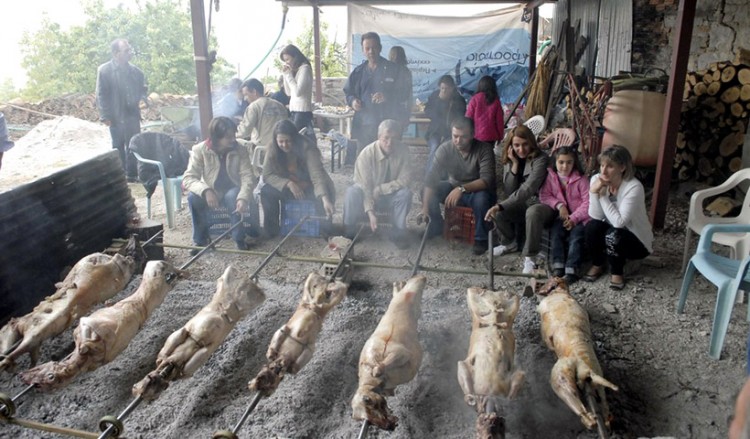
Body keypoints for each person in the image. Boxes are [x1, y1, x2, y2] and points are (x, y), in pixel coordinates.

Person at [183, 117, 258, 254]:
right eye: (228, 137)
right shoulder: (200, 150)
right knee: (193, 198)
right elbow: (189, 178)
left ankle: (239, 238)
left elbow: (247, 176)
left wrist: (243, 197)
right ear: (216, 137)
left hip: (233, 188)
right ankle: (200, 240)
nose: (233, 140)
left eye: (233, 135)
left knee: (233, 196)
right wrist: (205, 191)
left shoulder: (240, 149)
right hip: (212, 190)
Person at [421, 116, 495, 255]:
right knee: (427, 191)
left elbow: (487, 180)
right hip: (453, 187)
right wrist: (425, 208)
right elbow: (431, 178)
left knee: (482, 199)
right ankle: (436, 225)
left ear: (473, 134)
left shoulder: (484, 149)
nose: (458, 141)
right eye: (455, 136)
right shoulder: (445, 148)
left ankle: (481, 238)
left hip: (477, 191)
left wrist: (462, 189)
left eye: (463, 137)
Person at [583, 145, 653, 289]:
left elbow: (619, 223)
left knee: (613, 234)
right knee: (592, 226)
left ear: (622, 167)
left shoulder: (633, 187)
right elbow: (595, 215)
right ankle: (598, 263)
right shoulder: (597, 179)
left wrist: (602, 195)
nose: (603, 170)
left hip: (637, 239)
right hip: (613, 232)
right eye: (602, 165)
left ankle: (617, 272)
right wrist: (593, 192)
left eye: (610, 166)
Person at [485, 125, 549, 274]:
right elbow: (509, 190)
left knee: (531, 212)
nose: (521, 149)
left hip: (542, 202)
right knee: (500, 211)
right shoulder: (512, 158)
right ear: (511, 146)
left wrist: (501, 205)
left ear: (531, 142)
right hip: (522, 202)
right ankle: (509, 243)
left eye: (525, 144)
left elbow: (528, 189)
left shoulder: (541, 159)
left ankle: (530, 257)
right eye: (517, 145)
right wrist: (513, 165)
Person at [343, 119, 412, 249]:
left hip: (389, 196)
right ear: (379, 137)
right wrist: (370, 212)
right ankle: (349, 230)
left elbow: (406, 179)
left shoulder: (404, 151)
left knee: (405, 194)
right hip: (366, 196)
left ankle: (398, 231)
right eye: (386, 138)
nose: (389, 143)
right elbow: (365, 187)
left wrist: (381, 189)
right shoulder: (366, 154)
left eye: (394, 138)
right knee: (352, 192)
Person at [261, 119, 336, 237]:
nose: (284, 145)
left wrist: (325, 199)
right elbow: (267, 175)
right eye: (281, 141)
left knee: (323, 196)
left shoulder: (307, 148)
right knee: (266, 191)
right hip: (289, 187)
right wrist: (288, 184)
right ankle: (272, 230)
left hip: (310, 187)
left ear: (294, 139)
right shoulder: (272, 149)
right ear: (276, 140)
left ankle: (322, 228)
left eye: (288, 141)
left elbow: (317, 176)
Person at [343, 32, 402, 165]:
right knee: (365, 159)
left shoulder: (394, 70)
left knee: (388, 160)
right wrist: (353, 101)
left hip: (387, 124)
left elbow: (404, 93)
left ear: (380, 48)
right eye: (367, 48)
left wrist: (387, 97)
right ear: (363, 51)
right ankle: (364, 184)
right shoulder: (358, 72)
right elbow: (348, 92)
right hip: (364, 124)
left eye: (374, 47)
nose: (371, 51)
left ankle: (388, 185)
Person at [95, 38, 148, 181]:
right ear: (116, 53)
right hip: (115, 116)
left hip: (132, 115)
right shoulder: (104, 71)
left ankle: (132, 175)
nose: (130, 53)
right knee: (118, 146)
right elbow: (101, 94)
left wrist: (144, 99)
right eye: (126, 51)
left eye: (130, 50)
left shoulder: (137, 72)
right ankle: (120, 175)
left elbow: (143, 90)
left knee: (134, 145)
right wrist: (105, 116)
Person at [538, 146, 590, 283]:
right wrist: (560, 205)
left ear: (574, 163)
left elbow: (588, 203)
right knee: (556, 234)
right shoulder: (551, 177)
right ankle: (558, 265)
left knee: (576, 237)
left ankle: (572, 269)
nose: (565, 166)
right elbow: (544, 195)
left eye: (569, 162)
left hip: (581, 218)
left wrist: (574, 218)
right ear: (555, 162)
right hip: (561, 216)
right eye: (561, 162)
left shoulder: (581, 179)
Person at [423, 75, 467, 175]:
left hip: (450, 133)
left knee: (447, 150)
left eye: (446, 89)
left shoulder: (458, 100)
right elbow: (427, 111)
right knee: (434, 147)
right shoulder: (435, 96)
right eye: (442, 88)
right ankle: (429, 176)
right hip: (434, 132)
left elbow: (459, 117)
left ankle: (445, 176)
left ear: (452, 88)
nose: (444, 91)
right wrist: (439, 100)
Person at [237, 78, 289, 148]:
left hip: (262, 149)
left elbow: (244, 131)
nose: (245, 98)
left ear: (254, 92)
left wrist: (231, 134)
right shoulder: (280, 105)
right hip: (281, 147)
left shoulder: (253, 107)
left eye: (246, 94)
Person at [280, 44, 314, 136]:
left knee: (295, 138)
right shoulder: (295, 70)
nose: (286, 63)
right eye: (284, 60)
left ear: (295, 57)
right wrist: (285, 74)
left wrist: (289, 75)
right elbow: (288, 92)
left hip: (302, 111)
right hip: (294, 110)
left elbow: (298, 92)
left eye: (288, 59)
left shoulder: (305, 69)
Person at [465, 75, 505, 146]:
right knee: (488, 155)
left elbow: (468, 118)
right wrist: (500, 136)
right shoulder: (496, 100)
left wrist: (467, 134)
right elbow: (499, 121)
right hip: (491, 136)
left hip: (476, 136)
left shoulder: (474, 99)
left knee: (477, 155)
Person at [388, 46, 413, 131]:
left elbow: (409, 94)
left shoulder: (405, 72)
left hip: (398, 108)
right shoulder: (388, 70)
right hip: (394, 108)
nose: (395, 57)